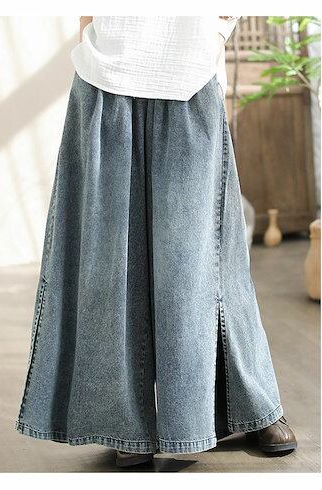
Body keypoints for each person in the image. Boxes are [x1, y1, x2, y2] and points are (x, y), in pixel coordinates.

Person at [15, 16, 297, 468]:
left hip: (190, 74)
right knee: (111, 264)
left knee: (202, 265)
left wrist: (216, 31)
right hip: (105, 76)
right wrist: (89, 31)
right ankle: (125, 423)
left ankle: (253, 404)